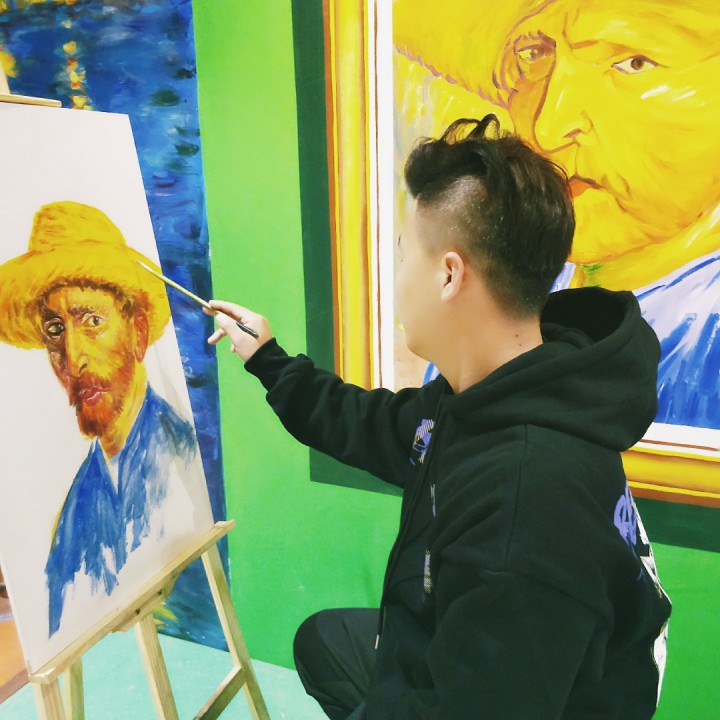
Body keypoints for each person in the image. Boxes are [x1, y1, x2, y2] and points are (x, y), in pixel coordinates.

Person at [207, 117, 671, 719]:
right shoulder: (494, 392)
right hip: (489, 647)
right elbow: (373, 424)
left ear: (450, 274)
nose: (399, 279)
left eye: (404, 256)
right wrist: (269, 360)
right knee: (324, 641)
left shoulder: (524, 506)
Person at [393, 0, 720, 430]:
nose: (547, 127)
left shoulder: (705, 345)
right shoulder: (503, 285)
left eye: (634, 63)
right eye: (534, 55)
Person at [0, 201, 199, 636]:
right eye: (55, 330)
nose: (73, 358)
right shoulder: (77, 506)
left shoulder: (178, 460)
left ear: (138, 332)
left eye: (91, 321)